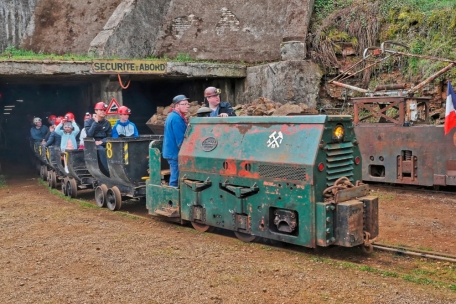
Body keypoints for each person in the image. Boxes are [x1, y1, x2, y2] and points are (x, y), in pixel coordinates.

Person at [163, 95, 190, 187]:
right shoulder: (176, 119)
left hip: (172, 152)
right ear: (177, 106)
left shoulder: (173, 115)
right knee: (176, 177)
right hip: (175, 153)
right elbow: (180, 140)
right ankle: (173, 198)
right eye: (184, 104)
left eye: (188, 104)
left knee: (175, 175)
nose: (187, 106)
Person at [84, 102, 112, 174]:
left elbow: (109, 136)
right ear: (96, 111)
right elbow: (89, 134)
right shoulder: (88, 122)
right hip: (92, 144)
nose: (103, 112)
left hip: (104, 142)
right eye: (101, 110)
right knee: (101, 149)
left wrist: (102, 141)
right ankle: (108, 171)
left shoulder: (107, 123)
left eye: (104, 110)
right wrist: (95, 123)